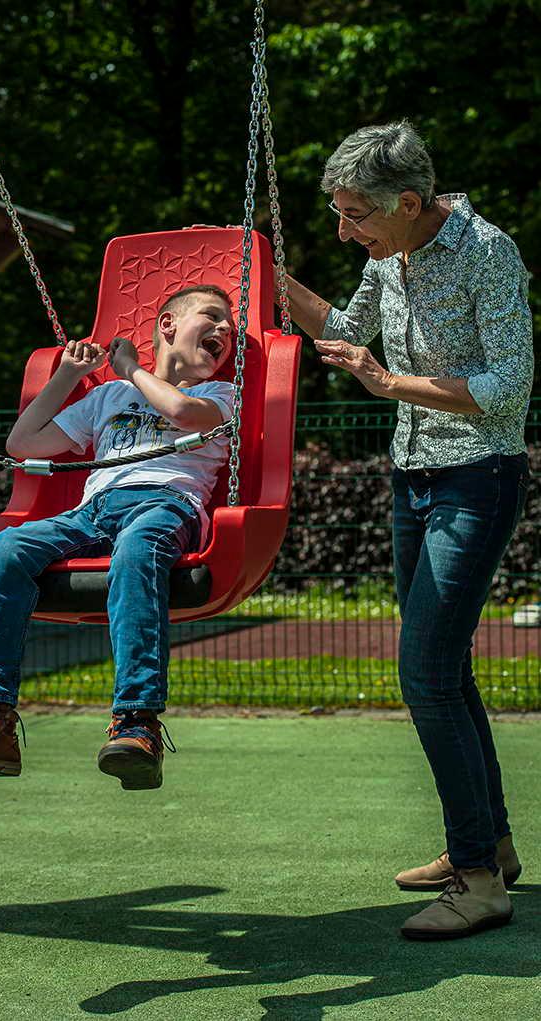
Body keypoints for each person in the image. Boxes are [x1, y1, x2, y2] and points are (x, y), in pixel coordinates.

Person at [284, 121, 533, 940]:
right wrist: (263, 275)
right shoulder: (383, 254)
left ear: (411, 203)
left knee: (424, 672)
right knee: (445, 667)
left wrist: (391, 383)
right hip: (412, 477)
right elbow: (346, 331)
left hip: (478, 476)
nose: (344, 231)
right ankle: (488, 844)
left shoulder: (485, 252)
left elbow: (507, 385)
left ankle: (475, 881)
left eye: (355, 215)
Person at [0, 284, 236, 791]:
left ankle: (137, 722)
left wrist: (131, 368)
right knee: (5, 549)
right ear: (169, 325)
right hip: (93, 512)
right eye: (213, 317)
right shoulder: (108, 397)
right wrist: (68, 376)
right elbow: (22, 444)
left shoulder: (219, 393)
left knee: (137, 552)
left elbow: (182, 415)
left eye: (230, 327)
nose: (225, 331)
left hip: (165, 504)